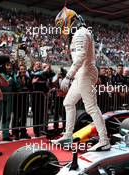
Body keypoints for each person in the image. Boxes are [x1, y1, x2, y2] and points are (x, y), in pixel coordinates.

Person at [51, 7, 110, 151]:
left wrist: (68, 76)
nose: (62, 28)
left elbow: (81, 57)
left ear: (70, 21)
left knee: (90, 106)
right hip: (83, 72)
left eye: (63, 24)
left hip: (85, 72)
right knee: (68, 102)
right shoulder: (81, 32)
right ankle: (68, 135)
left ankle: (104, 140)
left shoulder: (80, 33)